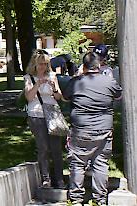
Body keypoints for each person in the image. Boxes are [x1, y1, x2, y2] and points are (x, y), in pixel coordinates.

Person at [63, 52, 122, 205]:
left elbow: (65, 96)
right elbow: (118, 96)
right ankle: (99, 200)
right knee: (101, 164)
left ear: (84, 66)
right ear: (99, 65)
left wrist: (78, 75)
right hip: (103, 130)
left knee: (77, 164)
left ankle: (76, 200)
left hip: (80, 130)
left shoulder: (76, 82)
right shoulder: (108, 81)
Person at [24, 50, 65, 189]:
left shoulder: (52, 76)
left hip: (52, 114)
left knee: (56, 148)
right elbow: (29, 97)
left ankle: (59, 179)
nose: (43, 67)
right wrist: (37, 84)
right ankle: (46, 178)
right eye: (40, 64)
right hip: (36, 114)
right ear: (35, 64)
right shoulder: (29, 77)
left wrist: (53, 87)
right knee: (43, 147)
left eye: (45, 64)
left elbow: (59, 96)